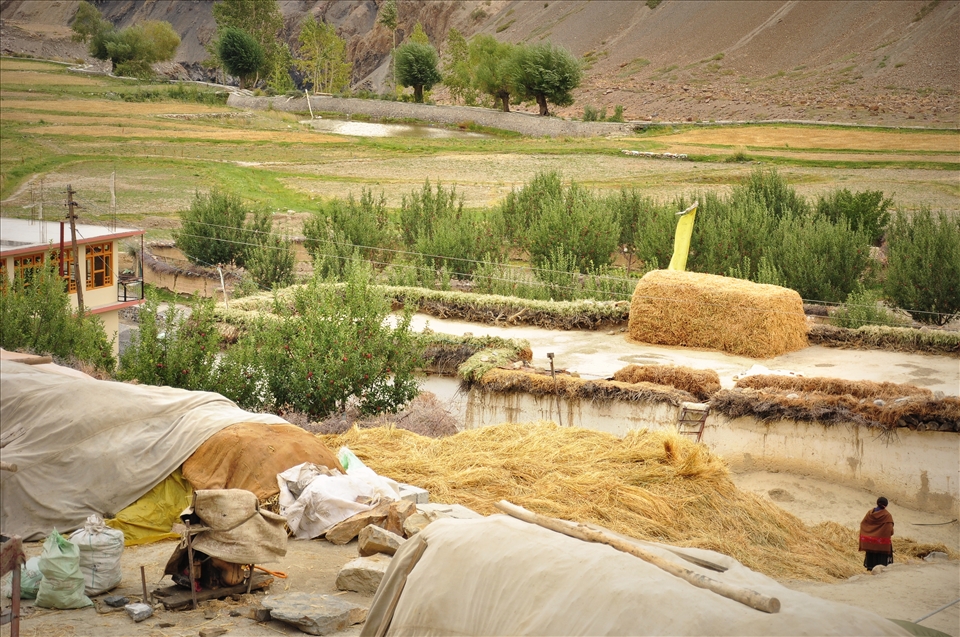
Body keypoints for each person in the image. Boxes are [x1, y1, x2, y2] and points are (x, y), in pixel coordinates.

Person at [859, 496, 894, 570]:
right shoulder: (887, 515)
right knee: (881, 561)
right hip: (881, 545)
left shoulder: (870, 513)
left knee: (871, 557)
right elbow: (890, 530)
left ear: (877, 503)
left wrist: (869, 534)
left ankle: (870, 568)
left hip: (870, 542)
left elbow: (863, 524)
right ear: (886, 505)